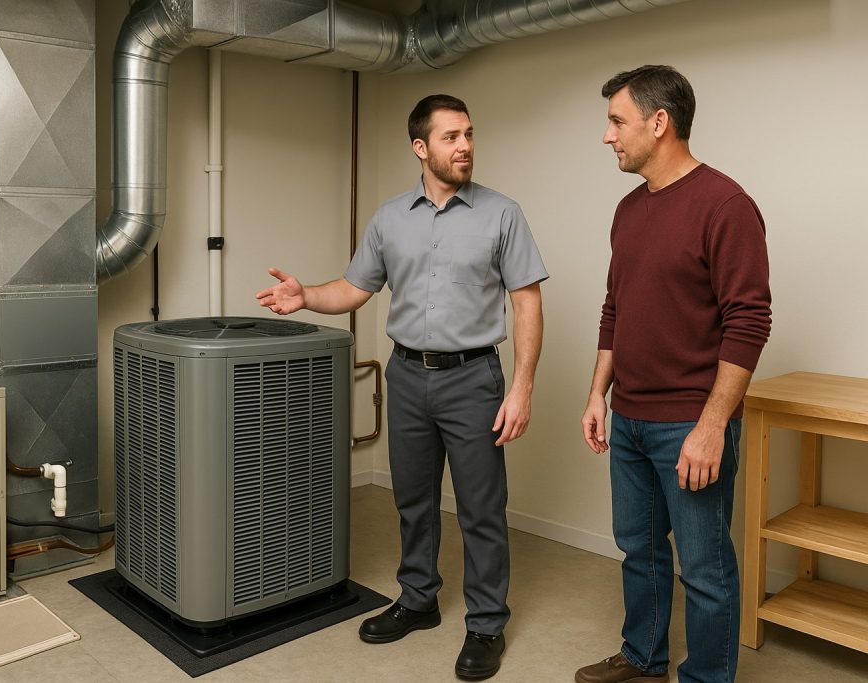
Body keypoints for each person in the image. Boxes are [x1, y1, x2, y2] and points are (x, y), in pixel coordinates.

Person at [256, 94, 547, 680]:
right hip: (408, 376)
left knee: (480, 509)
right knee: (412, 500)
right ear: (421, 148)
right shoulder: (390, 217)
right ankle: (418, 600)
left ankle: (487, 623)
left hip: (474, 379)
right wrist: (308, 295)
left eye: (468, 134)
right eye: (450, 137)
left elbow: (527, 302)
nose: (464, 145)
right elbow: (355, 287)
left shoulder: (502, 213)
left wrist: (521, 388)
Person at [576, 66, 771, 683]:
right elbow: (617, 307)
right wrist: (596, 394)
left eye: (616, 121)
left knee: (706, 568)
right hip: (630, 417)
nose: (608, 136)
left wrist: (713, 426)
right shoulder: (629, 209)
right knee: (639, 550)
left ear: (659, 123)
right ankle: (643, 658)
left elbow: (749, 320)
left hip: (690, 421)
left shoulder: (726, 205)